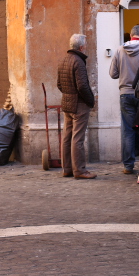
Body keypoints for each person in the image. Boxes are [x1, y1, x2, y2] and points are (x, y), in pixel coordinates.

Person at [110, 25, 139, 174]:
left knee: (128, 131)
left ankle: (128, 166)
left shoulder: (119, 50)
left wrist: (125, 72)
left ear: (131, 35)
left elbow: (113, 74)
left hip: (125, 94)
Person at [56, 34, 96, 179]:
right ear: (81, 47)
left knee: (67, 137)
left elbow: (59, 84)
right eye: (85, 45)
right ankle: (79, 170)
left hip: (67, 103)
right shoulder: (78, 61)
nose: (86, 47)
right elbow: (83, 86)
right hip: (79, 104)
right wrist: (91, 100)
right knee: (77, 138)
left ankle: (67, 169)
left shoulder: (63, 60)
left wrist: (68, 94)